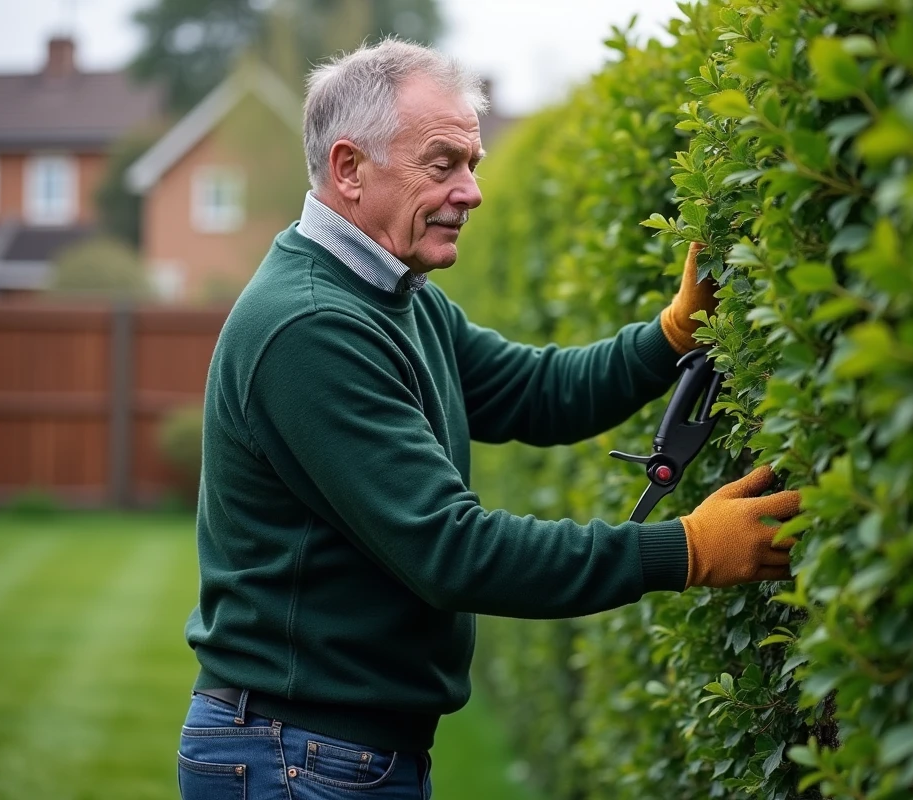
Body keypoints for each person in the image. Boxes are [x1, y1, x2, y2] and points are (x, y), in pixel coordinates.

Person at [177, 38, 801, 800]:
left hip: (327, 750)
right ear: (349, 168)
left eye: (471, 164)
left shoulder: (395, 298)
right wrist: (688, 550)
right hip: (298, 754)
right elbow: (453, 550)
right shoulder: (312, 328)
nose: (471, 191)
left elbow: (536, 391)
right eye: (443, 164)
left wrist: (670, 335)